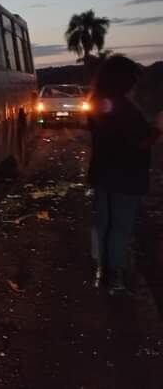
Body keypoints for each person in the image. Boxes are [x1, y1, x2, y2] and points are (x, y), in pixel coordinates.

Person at [88, 55, 162, 294]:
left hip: (102, 172)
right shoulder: (123, 107)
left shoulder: (98, 102)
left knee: (103, 224)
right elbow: (141, 142)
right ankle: (115, 278)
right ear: (123, 79)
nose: (134, 84)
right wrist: (159, 127)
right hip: (126, 175)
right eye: (132, 79)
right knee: (121, 226)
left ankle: (100, 270)